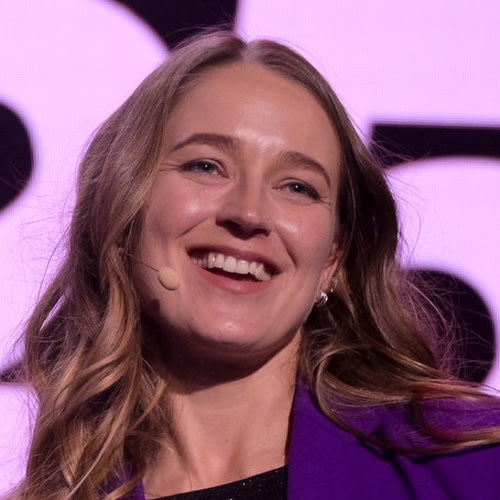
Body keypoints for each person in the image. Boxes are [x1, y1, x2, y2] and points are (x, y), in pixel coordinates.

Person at [14, 30, 500, 499]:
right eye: (206, 166)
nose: (248, 214)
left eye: (297, 187)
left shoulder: (475, 467)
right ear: (124, 208)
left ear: (334, 260)